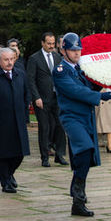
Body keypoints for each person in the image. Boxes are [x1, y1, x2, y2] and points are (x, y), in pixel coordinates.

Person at [53, 33, 111, 217]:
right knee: (85, 148)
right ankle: (78, 193)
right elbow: (75, 91)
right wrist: (99, 96)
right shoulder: (60, 70)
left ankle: (78, 197)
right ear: (63, 51)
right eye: (72, 50)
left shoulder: (80, 68)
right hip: (72, 117)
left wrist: (103, 82)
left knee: (86, 155)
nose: (77, 53)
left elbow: (88, 86)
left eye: (78, 49)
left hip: (86, 117)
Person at [0, 48, 31, 193]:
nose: (9, 62)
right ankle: (5, 183)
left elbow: (26, 95)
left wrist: (25, 116)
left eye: (12, 59)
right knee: (3, 153)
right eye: (6, 60)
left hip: (18, 119)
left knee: (20, 153)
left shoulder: (20, 74)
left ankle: (9, 174)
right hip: (0, 121)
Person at [26, 32, 68, 167]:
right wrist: (36, 97)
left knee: (60, 126)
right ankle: (45, 157)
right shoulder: (34, 58)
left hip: (57, 98)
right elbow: (30, 80)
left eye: (53, 43)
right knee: (45, 128)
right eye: (48, 43)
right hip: (42, 99)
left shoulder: (57, 57)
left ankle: (60, 154)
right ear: (42, 43)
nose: (51, 46)